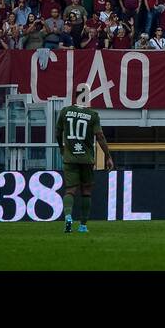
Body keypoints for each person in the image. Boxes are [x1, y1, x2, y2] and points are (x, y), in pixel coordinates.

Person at [56, 83, 112, 233]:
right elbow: (100, 136)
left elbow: (57, 132)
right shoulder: (93, 115)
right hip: (86, 159)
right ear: (87, 97)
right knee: (86, 191)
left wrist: (62, 148)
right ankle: (83, 225)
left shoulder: (65, 111)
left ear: (75, 96)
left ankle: (68, 217)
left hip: (70, 158)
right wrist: (108, 156)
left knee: (70, 190)